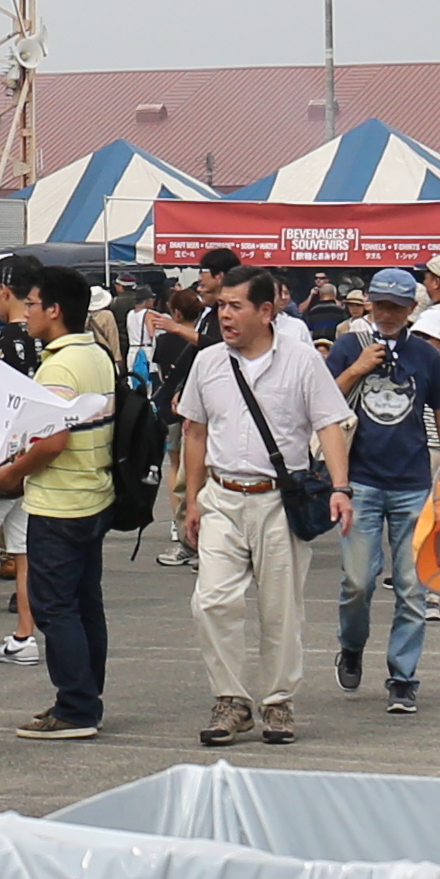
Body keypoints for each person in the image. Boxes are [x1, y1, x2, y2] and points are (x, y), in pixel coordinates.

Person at [168, 266, 351, 751]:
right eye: (220, 306)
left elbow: (330, 423)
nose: (224, 315)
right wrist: (191, 498)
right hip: (222, 498)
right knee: (211, 601)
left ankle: (278, 702)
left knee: (281, 609)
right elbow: (195, 431)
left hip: (278, 501)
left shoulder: (301, 360)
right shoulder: (207, 362)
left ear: (266, 311)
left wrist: (340, 486)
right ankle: (230, 700)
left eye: (235, 306)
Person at [0, 259, 123, 741]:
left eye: (30, 304)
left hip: (60, 500)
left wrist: (9, 474)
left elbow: (51, 441)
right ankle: (87, 694)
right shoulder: (95, 353)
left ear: (53, 309)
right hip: (94, 493)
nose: (25, 313)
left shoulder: (60, 364)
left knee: (53, 606)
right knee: (86, 602)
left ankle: (75, 705)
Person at [327, 267, 440, 715]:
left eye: (397, 307)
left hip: (412, 483)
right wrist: (357, 369)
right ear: (368, 303)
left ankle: (403, 676)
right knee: (357, 581)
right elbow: (323, 401)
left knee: (412, 584)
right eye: (380, 304)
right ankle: (352, 644)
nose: (387, 313)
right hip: (360, 480)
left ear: (411, 310)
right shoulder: (348, 346)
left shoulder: (424, 355)